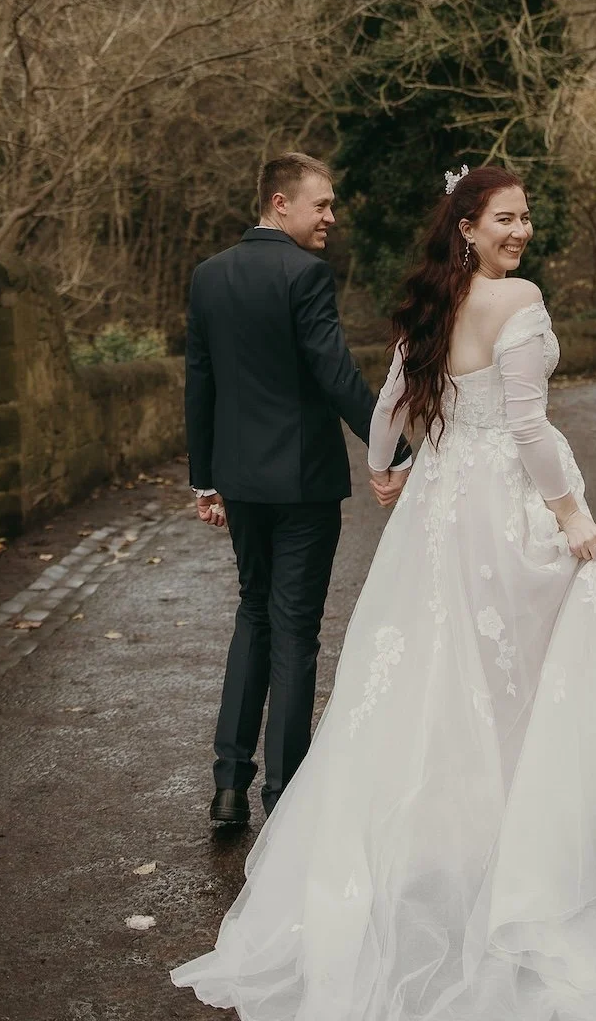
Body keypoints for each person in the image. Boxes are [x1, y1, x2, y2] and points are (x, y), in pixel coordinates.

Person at [173, 162, 596, 1020]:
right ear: (468, 223)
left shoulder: (436, 298)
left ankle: (420, 833)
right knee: (519, 665)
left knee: (429, 673)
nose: (522, 232)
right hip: (500, 510)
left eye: (526, 219)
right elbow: (526, 425)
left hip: (434, 509)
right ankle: (513, 858)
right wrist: (573, 515)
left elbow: (393, 398)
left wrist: (385, 466)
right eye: (506, 218)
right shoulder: (518, 302)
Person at [184, 151, 412, 830]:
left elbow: (200, 382)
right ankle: (283, 797)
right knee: (296, 631)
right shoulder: (306, 275)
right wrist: (393, 450)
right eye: (322, 205)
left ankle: (228, 788)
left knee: (254, 614)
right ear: (280, 204)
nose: (331, 219)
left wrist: (206, 478)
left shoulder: (209, 276)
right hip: (304, 484)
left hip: (243, 483)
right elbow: (335, 374)